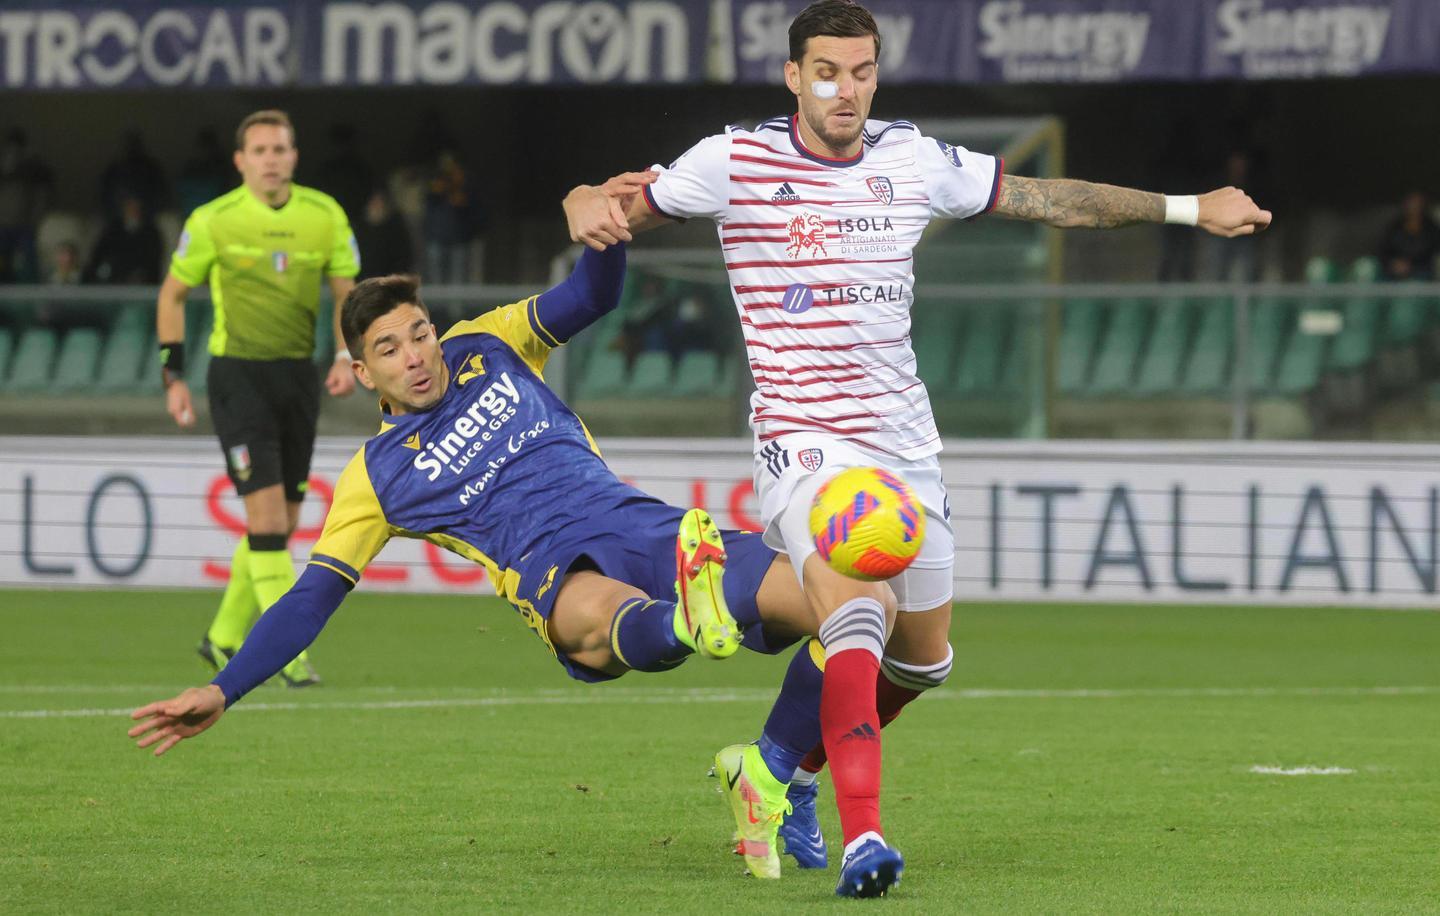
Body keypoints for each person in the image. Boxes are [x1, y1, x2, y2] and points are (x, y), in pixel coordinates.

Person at [562, 0, 1271, 896]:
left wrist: (1188, 207)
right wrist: (581, 197)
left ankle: (779, 770)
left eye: (861, 72)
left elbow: (1048, 201)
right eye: (826, 70)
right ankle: (866, 840)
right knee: (857, 612)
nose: (845, 89)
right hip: (804, 441)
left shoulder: (913, 158)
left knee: (924, 659)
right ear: (792, 76)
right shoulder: (731, 161)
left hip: (904, 446)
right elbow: (617, 206)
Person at [128, 237, 824, 793]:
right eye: (389, 350)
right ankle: (688, 617)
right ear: (363, 374)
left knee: (848, 608)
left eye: (420, 333)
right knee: (607, 612)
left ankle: (774, 775)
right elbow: (311, 597)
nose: (416, 357)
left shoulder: (488, 345)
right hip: (554, 572)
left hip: (645, 525)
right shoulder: (375, 476)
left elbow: (593, 293)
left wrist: (603, 230)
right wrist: (225, 689)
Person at [157, 109, 361, 689]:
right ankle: (288, 654)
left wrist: (348, 358)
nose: (272, 159)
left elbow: (347, 292)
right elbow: (172, 296)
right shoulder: (214, 220)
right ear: (240, 161)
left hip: (297, 378)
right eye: (261, 150)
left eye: (281, 149)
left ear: (294, 156)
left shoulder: (323, 217)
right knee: (268, 520)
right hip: (237, 377)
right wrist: (173, 378)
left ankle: (221, 636)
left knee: (282, 522)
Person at [84, 194, 162, 284]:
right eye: (130, 207)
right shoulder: (113, 230)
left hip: (141, 281)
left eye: (136, 208)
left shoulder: (151, 232)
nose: (133, 211)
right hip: (115, 280)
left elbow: (153, 260)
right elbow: (100, 254)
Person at [1379, 191, 1440, 281]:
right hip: (1393, 271)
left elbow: (1433, 252)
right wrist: (1393, 263)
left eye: (1417, 203)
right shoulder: (1395, 226)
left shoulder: (1431, 228)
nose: (1414, 207)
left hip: (1421, 272)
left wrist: (1412, 266)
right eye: (1411, 203)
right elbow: (1383, 250)